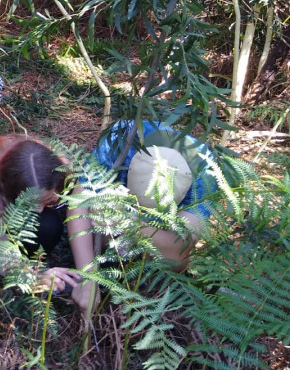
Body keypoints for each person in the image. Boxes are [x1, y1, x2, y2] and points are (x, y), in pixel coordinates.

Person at [67, 120, 217, 314]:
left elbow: (182, 246)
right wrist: (87, 277)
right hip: (112, 218)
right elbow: (79, 200)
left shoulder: (205, 170)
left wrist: (132, 225)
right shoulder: (122, 139)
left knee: (177, 260)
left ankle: (138, 275)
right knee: (96, 217)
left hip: (146, 231)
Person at [0, 135, 81, 294]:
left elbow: (79, 190)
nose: (38, 210)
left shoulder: (58, 168)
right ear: (11, 192)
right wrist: (32, 277)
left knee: (48, 223)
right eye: (31, 203)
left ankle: (32, 256)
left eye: (46, 199)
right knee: (47, 225)